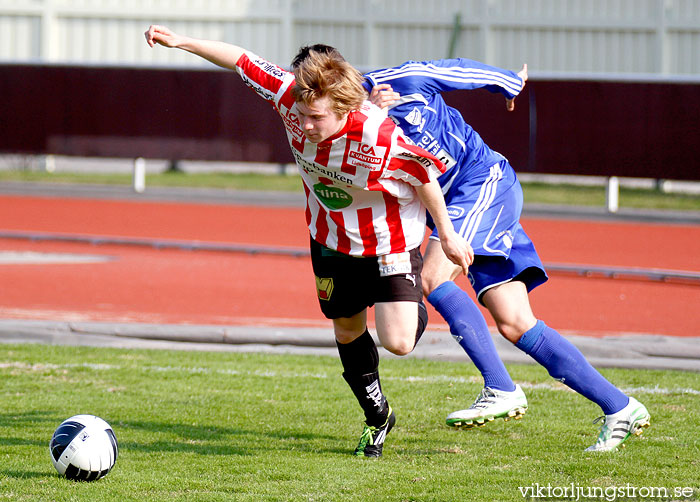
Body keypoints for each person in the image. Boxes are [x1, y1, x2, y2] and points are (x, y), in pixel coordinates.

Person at [144, 25, 473, 458]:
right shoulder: (289, 95)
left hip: (390, 244)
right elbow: (240, 58)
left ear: (345, 108)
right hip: (330, 242)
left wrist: (446, 234)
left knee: (399, 342)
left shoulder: (380, 137)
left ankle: (407, 304)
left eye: (317, 117)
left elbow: (425, 176)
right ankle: (377, 419)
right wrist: (182, 42)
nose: (306, 123)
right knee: (347, 330)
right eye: (302, 114)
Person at [361, 56, 651, 452]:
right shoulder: (354, 123)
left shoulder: (402, 80)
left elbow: (458, 70)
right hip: (463, 206)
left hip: (482, 183)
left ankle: (500, 387)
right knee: (516, 323)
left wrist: (508, 84)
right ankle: (620, 407)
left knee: (433, 277)